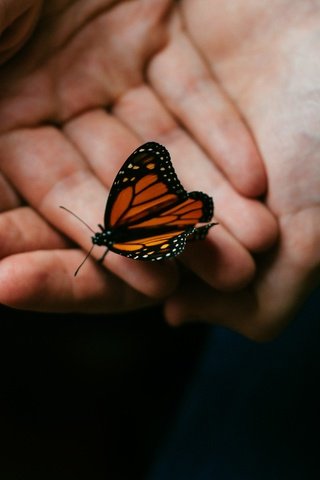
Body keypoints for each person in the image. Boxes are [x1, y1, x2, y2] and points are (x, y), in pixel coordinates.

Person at [0, 0, 318, 340]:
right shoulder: (120, 227)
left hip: (169, 234)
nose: (99, 236)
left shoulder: (117, 231)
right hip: (170, 231)